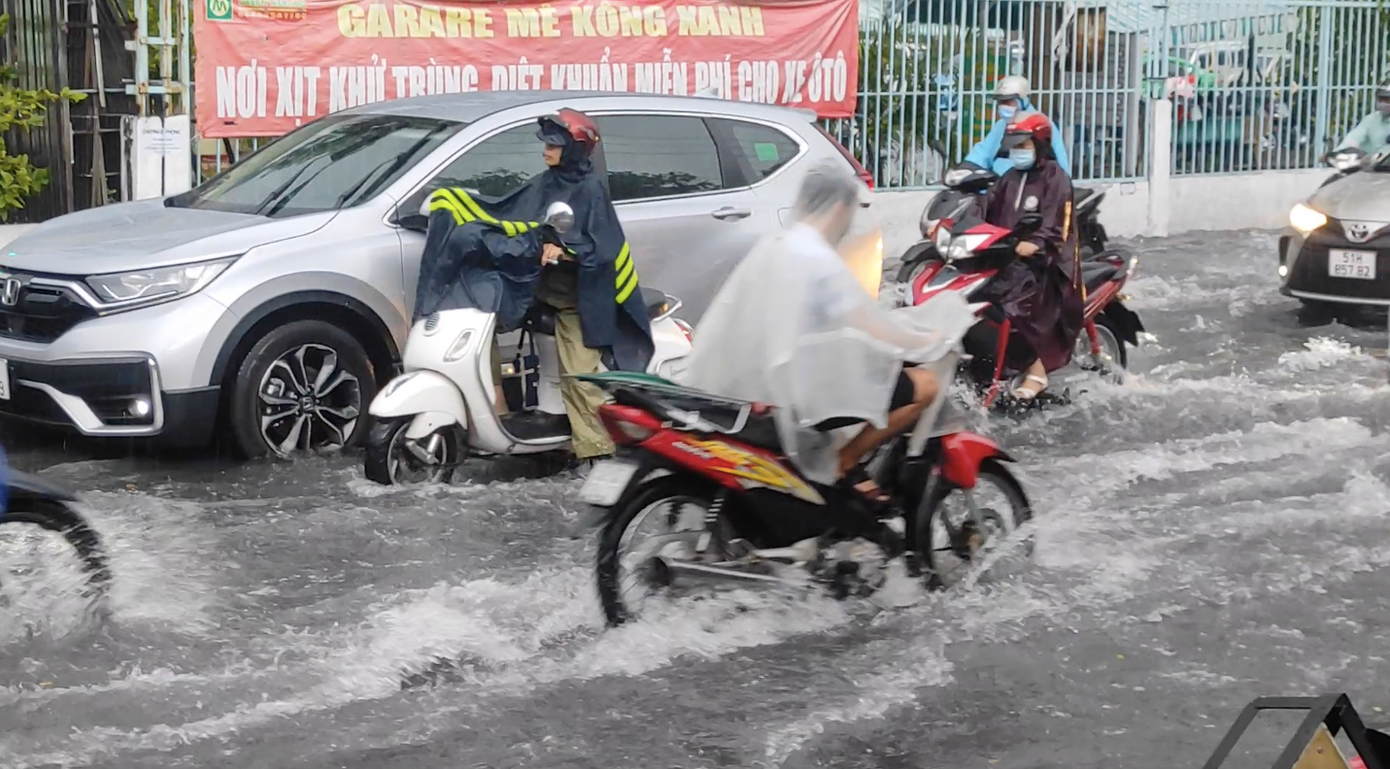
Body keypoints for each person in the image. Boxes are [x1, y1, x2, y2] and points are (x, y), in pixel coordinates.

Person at [680, 161, 962, 502]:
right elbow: (868, 323)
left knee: (873, 375)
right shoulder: (817, 257)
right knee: (925, 386)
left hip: (754, 380)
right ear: (840, 207)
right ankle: (843, 463)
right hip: (797, 390)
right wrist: (925, 341)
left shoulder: (778, 243)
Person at [419, 109, 654, 464]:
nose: (546, 149)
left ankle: (598, 454)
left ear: (575, 149)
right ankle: (498, 411)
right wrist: (451, 209)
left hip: (578, 301)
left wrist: (567, 249)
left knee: (579, 378)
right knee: (481, 312)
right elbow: (509, 215)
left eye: (555, 144)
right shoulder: (546, 182)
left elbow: (604, 250)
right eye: (546, 142)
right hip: (539, 292)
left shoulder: (590, 191)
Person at [970, 111, 1084, 402]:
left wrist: (1036, 243)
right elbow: (984, 205)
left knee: (1015, 304)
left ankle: (1037, 370)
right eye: (1016, 147)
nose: (1018, 152)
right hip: (1009, 256)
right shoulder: (1009, 177)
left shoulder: (1055, 178)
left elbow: (1058, 224)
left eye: (1024, 146)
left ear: (1041, 144)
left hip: (1047, 261)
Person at [964, 76, 1071, 177]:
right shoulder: (1001, 125)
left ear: (1023, 101)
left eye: (1008, 101)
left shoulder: (1042, 125)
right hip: (999, 186)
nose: (1003, 106)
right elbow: (983, 152)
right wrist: (967, 167)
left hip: (1031, 188)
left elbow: (1060, 163)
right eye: (1001, 102)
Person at [1335, 79, 1390, 154]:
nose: (1384, 103)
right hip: (1375, 163)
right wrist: (1337, 153)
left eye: (1388, 100)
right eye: (1381, 99)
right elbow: (1355, 137)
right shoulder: (1372, 120)